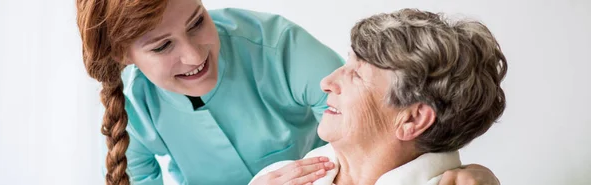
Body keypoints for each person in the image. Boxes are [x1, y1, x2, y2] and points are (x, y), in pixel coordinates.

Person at [75, 0, 500, 184]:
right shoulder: (133, 106)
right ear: (124, 56)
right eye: (163, 46)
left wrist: (466, 169)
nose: (193, 53)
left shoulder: (279, 49)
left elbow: (388, 123)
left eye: (197, 21)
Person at [250, 8, 506, 185]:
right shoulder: (273, 178)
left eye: (357, 74)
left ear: (412, 119)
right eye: (347, 63)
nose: (326, 83)